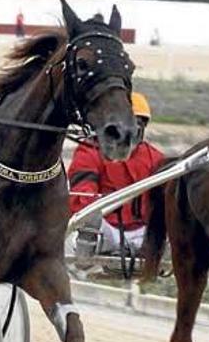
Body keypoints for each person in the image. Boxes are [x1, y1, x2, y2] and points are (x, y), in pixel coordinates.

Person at [67, 91, 166, 264]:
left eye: (137, 123)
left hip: (143, 233)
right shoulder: (90, 151)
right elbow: (82, 195)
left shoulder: (155, 158)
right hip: (103, 230)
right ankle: (83, 265)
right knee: (87, 219)